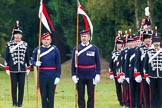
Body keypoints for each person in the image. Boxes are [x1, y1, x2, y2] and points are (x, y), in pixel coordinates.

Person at [71, 30, 101, 108]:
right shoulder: (76, 49)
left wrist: (97, 74)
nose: (83, 38)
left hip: (91, 75)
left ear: (89, 38)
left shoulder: (94, 48)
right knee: (80, 95)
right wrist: (73, 75)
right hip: (80, 75)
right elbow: (73, 63)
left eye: (85, 36)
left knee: (91, 95)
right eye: (82, 37)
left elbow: (98, 62)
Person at [4, 21, 31, 107]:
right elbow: (6, 57)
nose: (18, 35)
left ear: (21, 35)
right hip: (13, 68)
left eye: (19, 34)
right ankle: (14, 103)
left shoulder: (25, 44)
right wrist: (7, 68)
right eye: (16, 33)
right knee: (14, 86)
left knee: (21, 87)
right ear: (14, 34)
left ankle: (20, 103)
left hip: (22, 69)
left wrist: (28, 67)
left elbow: (27, 56)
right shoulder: (9, 44)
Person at [31, 32, 61, 108]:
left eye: (48, 39)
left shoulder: (55, 49)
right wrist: (36, 63)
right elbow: (31, 61)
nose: (46, 41)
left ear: (50, 40)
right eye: (44, 39)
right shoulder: (37, 49)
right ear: (41, 40)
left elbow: (58, 64)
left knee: (51, 96)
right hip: (42, 75)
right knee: (43, 96)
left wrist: (58, 76)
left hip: (52, 75)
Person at [144, 33, 162, 108]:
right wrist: (146, 75)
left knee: (161, 93)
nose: (156, 44)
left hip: (161, 76)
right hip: (152, 75)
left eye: (158, 42)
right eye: (155, 42)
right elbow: (145, 65)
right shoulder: (149, 52)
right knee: (153, 93)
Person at [109, 35, 124, 106]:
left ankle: (125, 99)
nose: (119, 45)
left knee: (125, 88)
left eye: (120, 43)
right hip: (116, 73)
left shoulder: (124, 52)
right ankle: (120, 100)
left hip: (123, 73)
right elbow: (111, 64)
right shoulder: (113, 53)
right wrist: (111, 73)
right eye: (118, 44)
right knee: (118, 88)